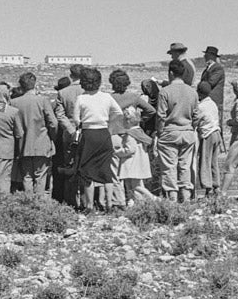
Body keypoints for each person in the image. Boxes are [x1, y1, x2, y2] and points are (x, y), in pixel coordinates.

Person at [72, 67, 123, 212]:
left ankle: (89, 206)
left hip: (88, 134)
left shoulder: (81, 98)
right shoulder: (106, 97)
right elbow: (118, 113)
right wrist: (110, 125)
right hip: (104, 132)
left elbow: (76, 119)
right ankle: (109, 204)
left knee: (87, 171)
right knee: (106, 170)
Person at [108, 69, 154, 205]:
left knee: (116, 172)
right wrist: (139, 120)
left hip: (115, 134)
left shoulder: (109, 98)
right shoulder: (134, 97)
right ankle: (133, 200)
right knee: (133, 174)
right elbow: (151, 110)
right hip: (132, 133)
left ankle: (119, 200)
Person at [155, 60, 198, 202]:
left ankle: (172, 198)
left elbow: (161, 116)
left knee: (169, 167)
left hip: (169, 132)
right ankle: (186, 197)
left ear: (171, 73)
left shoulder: (164, 92)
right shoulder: (192, 92)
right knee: (185, 165)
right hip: (187, 131)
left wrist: (160, 132)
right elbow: (197, 115)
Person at [11, 72, 59, 195]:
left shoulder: (14, 103)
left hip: (23, 145)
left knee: (26, 176)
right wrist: (52, 138)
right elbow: (53, 123)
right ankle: (38, 205)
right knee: (40, 177)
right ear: (34, 84)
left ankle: (28, 202)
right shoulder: (42, 101)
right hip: (42, 143)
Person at [53, 65, 84, 206]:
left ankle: (70, 200)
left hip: (68, 132)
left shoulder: (63, 93)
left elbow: (60, 115)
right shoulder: (89, 92)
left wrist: (71, 130)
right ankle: (85, 200)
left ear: (71, 76)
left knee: (69, 165)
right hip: (86, 130)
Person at [194, 81, 221, 197]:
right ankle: (216, 186)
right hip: (216, 133)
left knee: (205, 161)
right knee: (214, 162)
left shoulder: (201, 106)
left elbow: (195, 121)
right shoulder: (213, 104)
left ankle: (208, 188)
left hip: (207, 135)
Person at [199, 46, 226, 127]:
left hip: (214, 102)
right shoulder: (207, 69)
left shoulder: (217, 69)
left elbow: (210, 83)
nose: (204, 57)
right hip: (207, 101)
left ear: (211, 56)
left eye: (206, 55)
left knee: (215, 126)